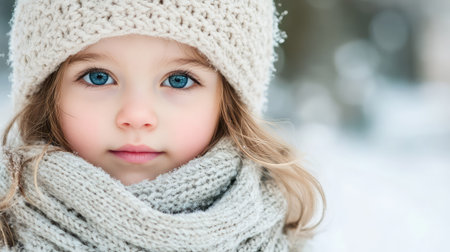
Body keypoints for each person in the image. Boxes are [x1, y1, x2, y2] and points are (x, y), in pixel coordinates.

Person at [0, 0, 325, 251]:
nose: (137, 115)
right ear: (47, 95)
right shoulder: (8, 227)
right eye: (98, 77)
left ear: (228, 104)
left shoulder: (275, 237)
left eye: (179, 80)